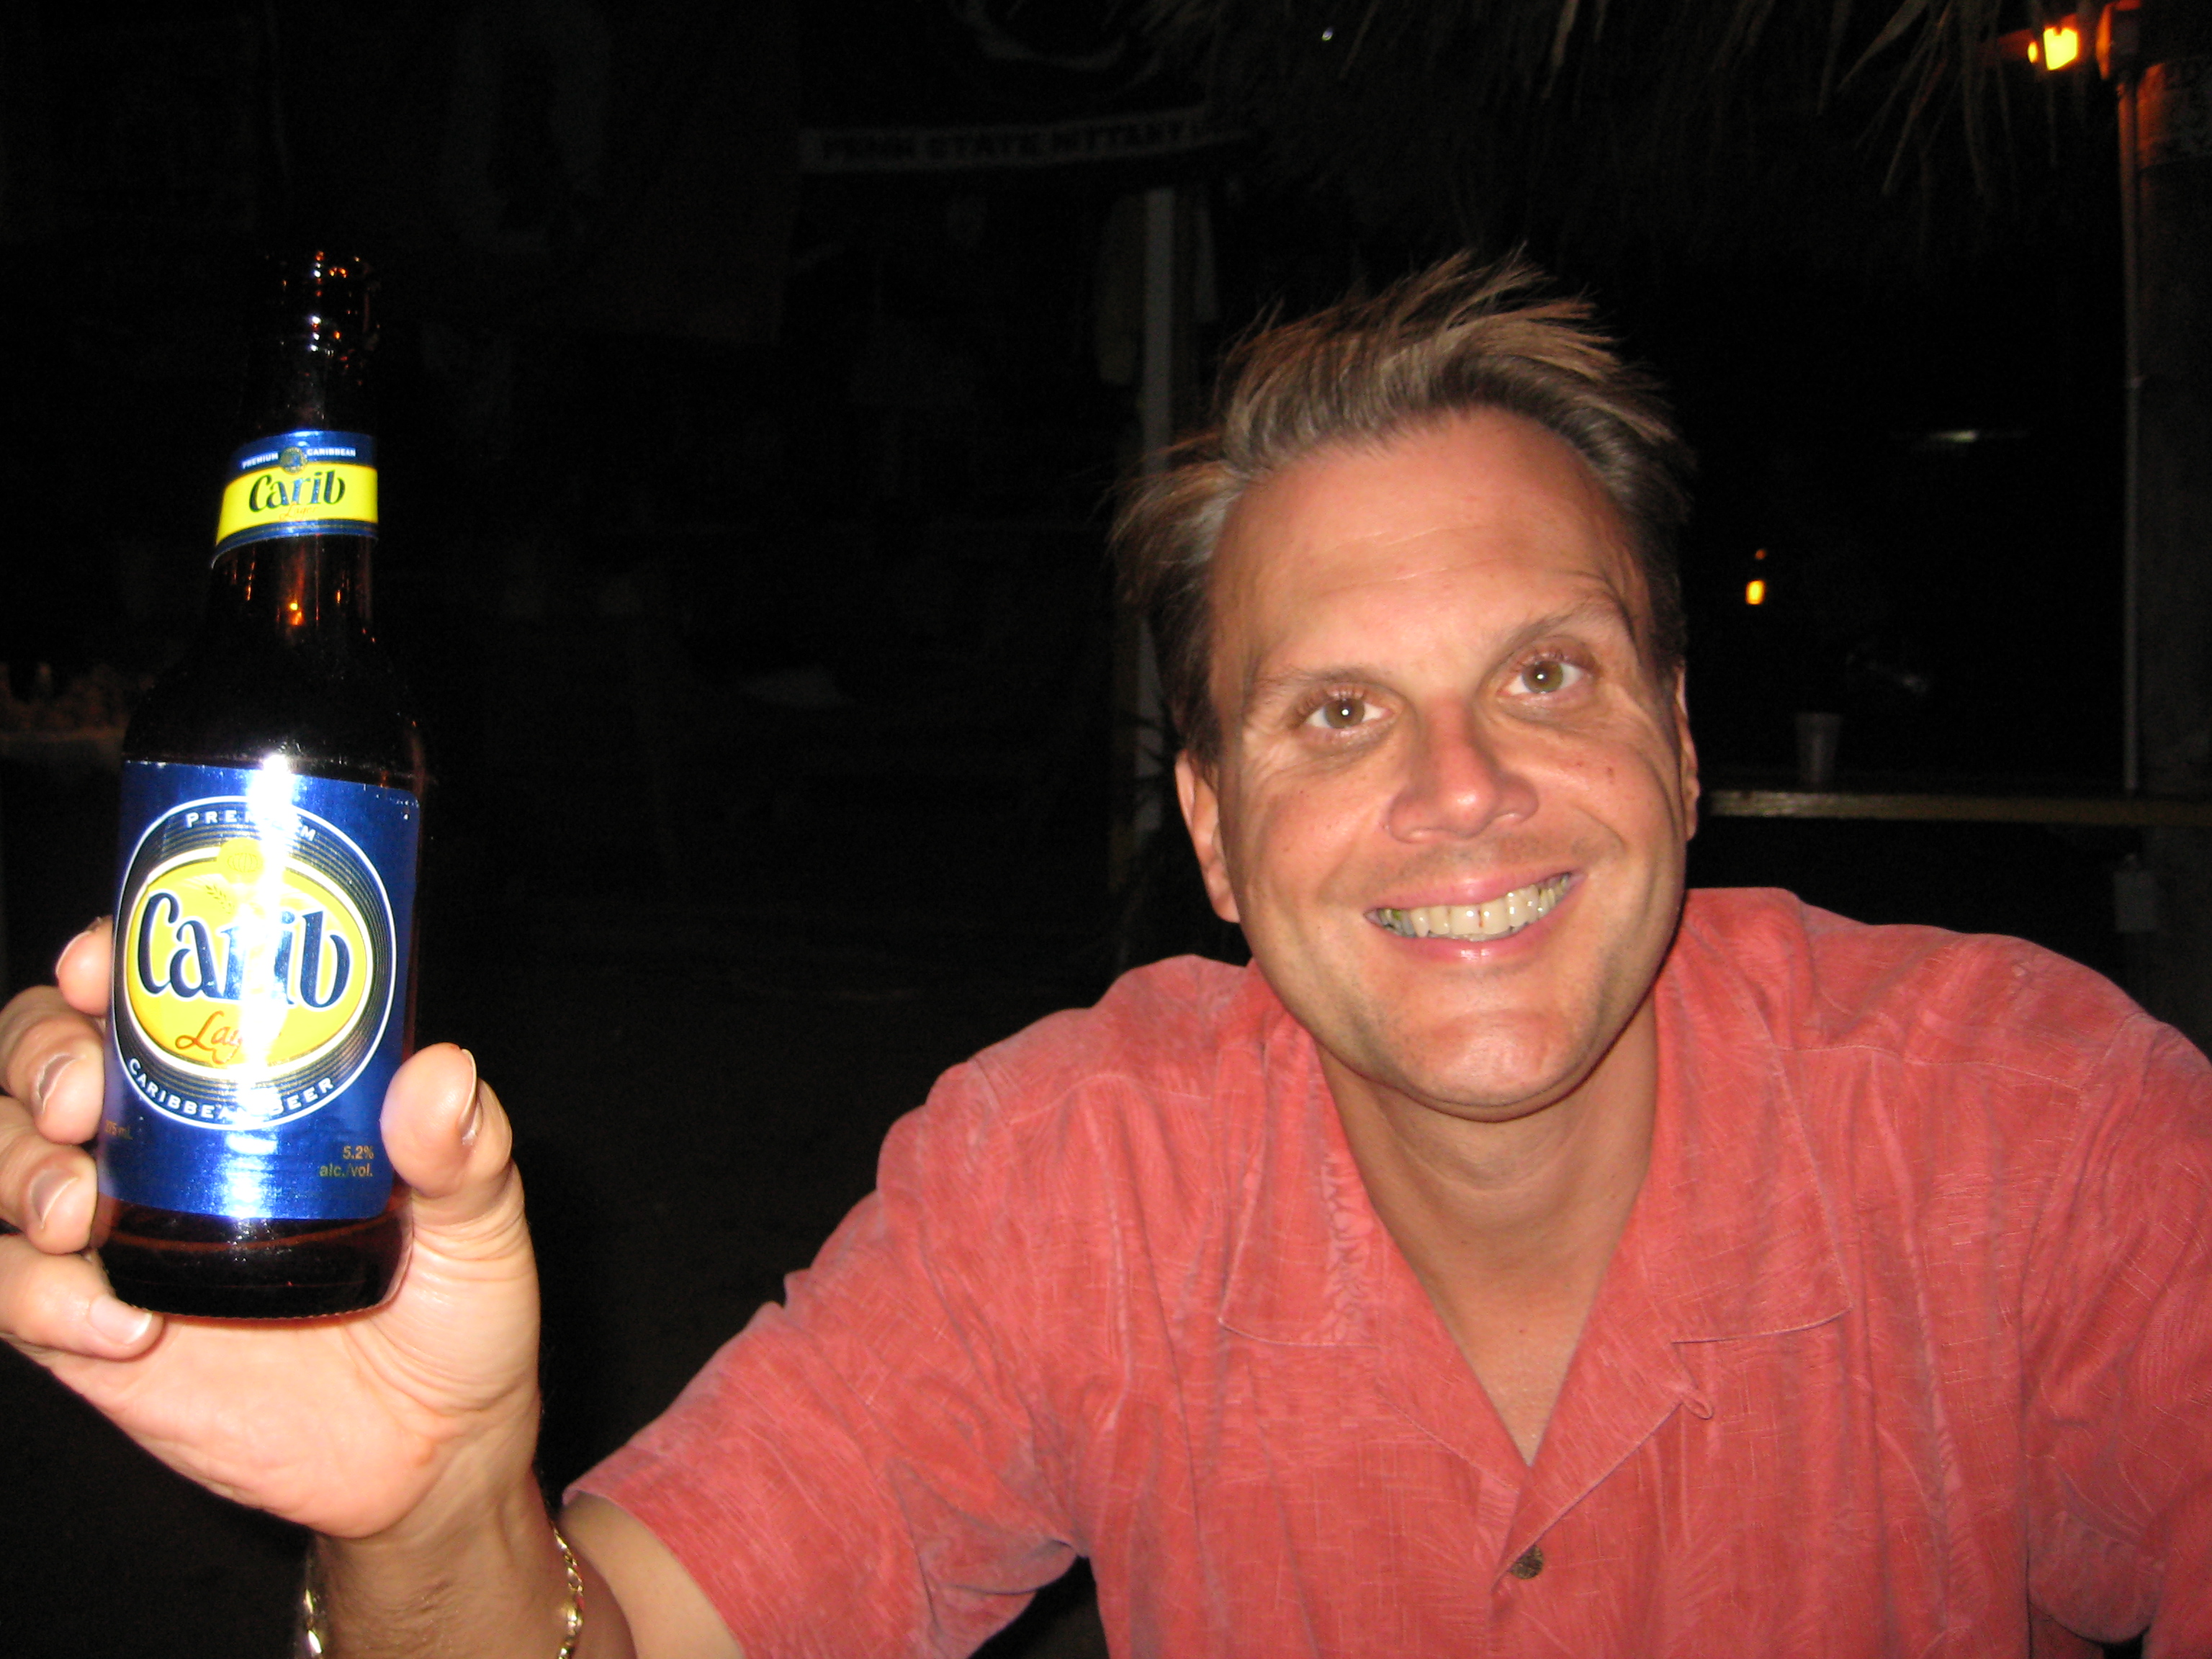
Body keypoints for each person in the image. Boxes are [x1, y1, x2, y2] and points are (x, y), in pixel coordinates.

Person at [3, 257, 2208, 1657]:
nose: (1461, 789)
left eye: (1544, 676)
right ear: (1217, 838)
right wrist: (427, 1512)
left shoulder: (2042, 1138)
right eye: (1337, 714)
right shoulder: (1075, 1181)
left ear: (1685, 744)